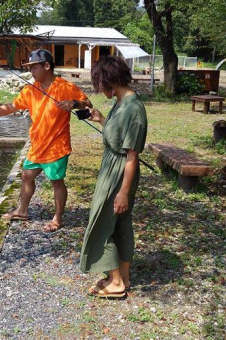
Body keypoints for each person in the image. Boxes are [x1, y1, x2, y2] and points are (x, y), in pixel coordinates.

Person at [0, 49, 92, 232]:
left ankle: (58, 218)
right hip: (37, 145)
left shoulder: (64, 87)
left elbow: (87, 103)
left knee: (56, 181)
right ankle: (22, 210)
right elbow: (10, 107)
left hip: (57, 146)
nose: (31, 72)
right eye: (30, 68)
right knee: (26, 176)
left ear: (47, 66)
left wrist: (73, 104)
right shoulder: (30, 89)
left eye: (34, 67)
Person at [79, 56, 147, 298]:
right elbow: (119, 136)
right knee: (119, 223)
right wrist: (101, 119)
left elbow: (131, 156)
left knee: (100, 222)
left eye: (99, 83)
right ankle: (123, 277)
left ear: (109, 80)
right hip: (113, 166)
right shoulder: (121, 102)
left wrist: (123, 192)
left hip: (119, 172)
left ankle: (116, 282)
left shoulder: (134, 109)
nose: (98, 89)